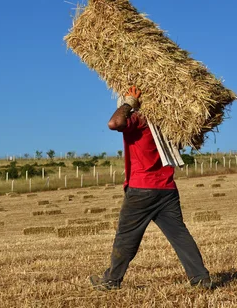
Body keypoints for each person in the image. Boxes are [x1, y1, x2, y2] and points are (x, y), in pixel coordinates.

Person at [89, 86, 213, 290]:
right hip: (167, 189)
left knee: (126, 237)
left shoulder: (140, 120)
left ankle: (112, 280)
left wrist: (130, 102)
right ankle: (200, 278)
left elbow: (114, 123)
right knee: (179, 235)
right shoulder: (168, 125)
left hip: (141, 190)